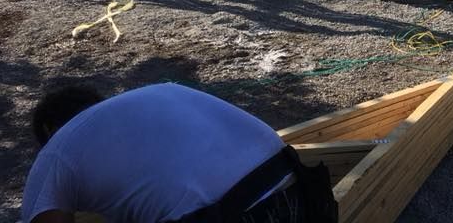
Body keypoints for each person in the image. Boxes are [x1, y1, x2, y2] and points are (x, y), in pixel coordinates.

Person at [21, 83, 337, 223]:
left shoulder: (55, 155)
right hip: (302, 193)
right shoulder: (154, 96)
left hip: (227, 215)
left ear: (50, 133)